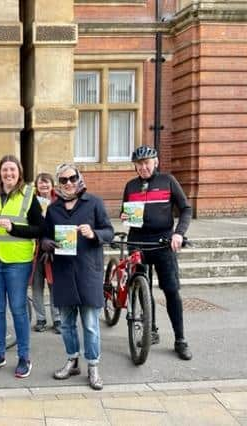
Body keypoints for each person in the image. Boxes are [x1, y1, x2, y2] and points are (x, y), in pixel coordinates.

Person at [41, 163, 113, 391]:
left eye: (72, 178)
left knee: (91, 324)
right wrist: (46, 243)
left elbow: (109, 232)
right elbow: (44, 236)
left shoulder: (94, 203)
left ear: (79, 179)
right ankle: (72, 361)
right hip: (63, 272)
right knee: (67, 324)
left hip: (88, 271)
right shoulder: (53, 209)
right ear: (58, 184)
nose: (69, 183)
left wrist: (94, 234)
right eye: (63, 180)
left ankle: (93, 366)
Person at [0, 155, 44, 379]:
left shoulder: (28, 195)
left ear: (19, 172)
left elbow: (40, 229)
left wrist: (13, 228)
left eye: (12, 170)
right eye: (5, 170)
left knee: (19, 310)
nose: (8, 174)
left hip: (17, 263)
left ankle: (24, 357)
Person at [120, 145, 193, 361]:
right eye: (139, 164)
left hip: (163, 242)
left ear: (156, 162)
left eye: (147, 163)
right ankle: (150, 331)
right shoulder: (130, 186)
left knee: (171, 291)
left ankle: (180, 339)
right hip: (137, 241)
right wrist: (124, 216)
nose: (143, 167)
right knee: (141, 286)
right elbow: (125, 211)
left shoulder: (168, 181)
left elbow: (186, 209)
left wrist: (178, 234)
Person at [30, 172, 61, 334]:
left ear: (52, 185)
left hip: (53, 249)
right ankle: (41, 319)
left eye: (46, 183)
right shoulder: (31, 202)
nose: (43, 186)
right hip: (35, 251)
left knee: (54, 286)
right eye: (40, 183)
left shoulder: (59, 202)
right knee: (36, 287)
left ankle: (57, 319)